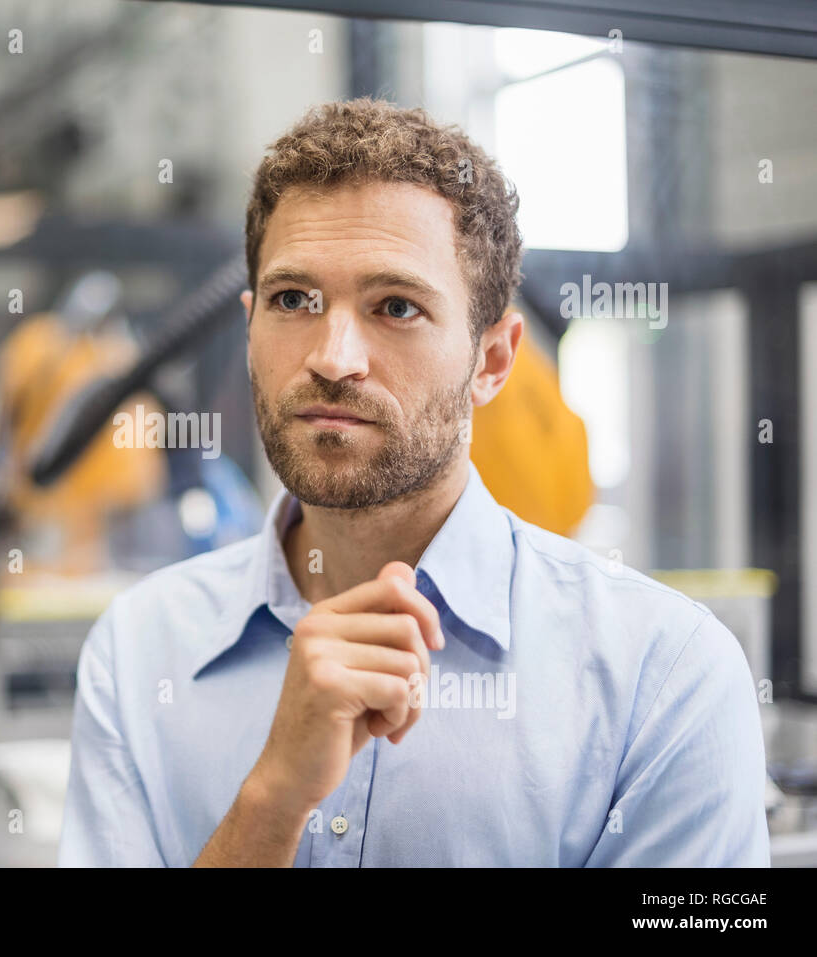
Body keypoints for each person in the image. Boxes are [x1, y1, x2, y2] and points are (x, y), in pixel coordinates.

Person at [57, 97, 769, 867]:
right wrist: (271, 802)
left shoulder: (664, 679)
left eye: (395, 306)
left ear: (493, 361)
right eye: (295, 299)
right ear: (250, 322)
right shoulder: (137, 655)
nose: (333, 356)